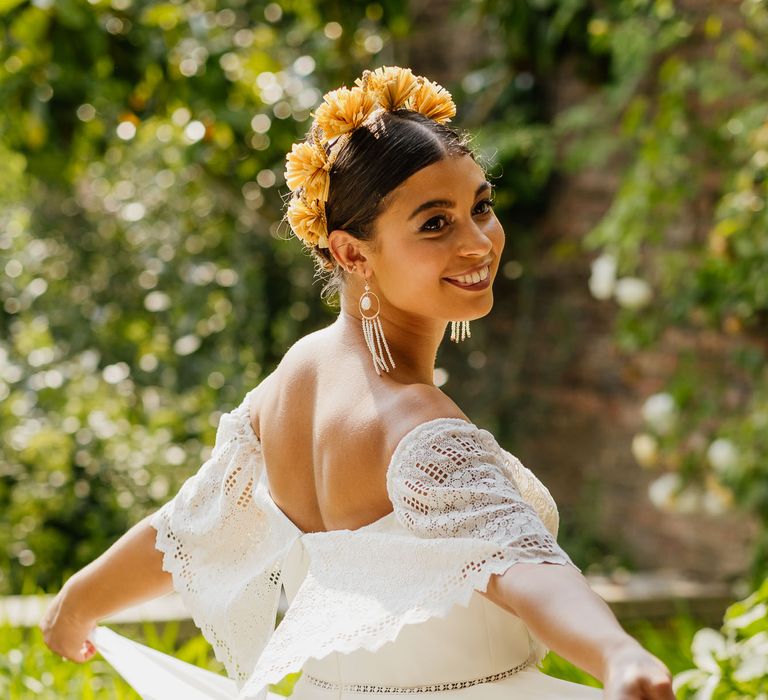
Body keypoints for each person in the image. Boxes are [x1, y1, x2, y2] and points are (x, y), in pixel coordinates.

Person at [40, 66, 676, 700]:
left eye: (480, 207)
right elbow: (524, 564)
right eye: (435, 223)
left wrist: (78, 602)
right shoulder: (416, 425)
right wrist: (617, 654)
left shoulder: (290, 380)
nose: (478, 242)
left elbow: (187, 529)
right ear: (350, 253)